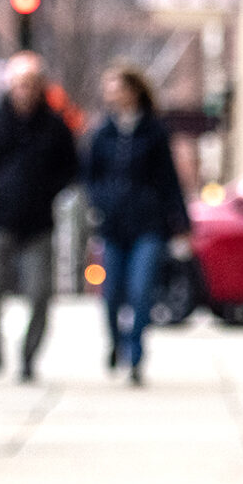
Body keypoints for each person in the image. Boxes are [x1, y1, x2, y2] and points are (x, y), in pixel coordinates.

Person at [0, 52, 79, 383]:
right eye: (19, 84)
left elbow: (70, 168)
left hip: (38, 224)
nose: (24, 91)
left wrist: (50, 191)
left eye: (31, 84)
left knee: (40, 293)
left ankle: (29, 356)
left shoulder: (55, 127)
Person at [81, 63, 190, 386]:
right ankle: (116, 342)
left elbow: (170, 180)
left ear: (133, 90)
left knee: (141, 291)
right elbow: (89, 176)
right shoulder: (102, 132)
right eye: (109, 88)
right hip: (113, 226)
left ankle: (136, 354)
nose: (112, 94)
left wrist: (181, 222)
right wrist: (100, 202)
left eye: (118, 87)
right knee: (112, 292)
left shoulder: (154, 132)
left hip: (148, 226)